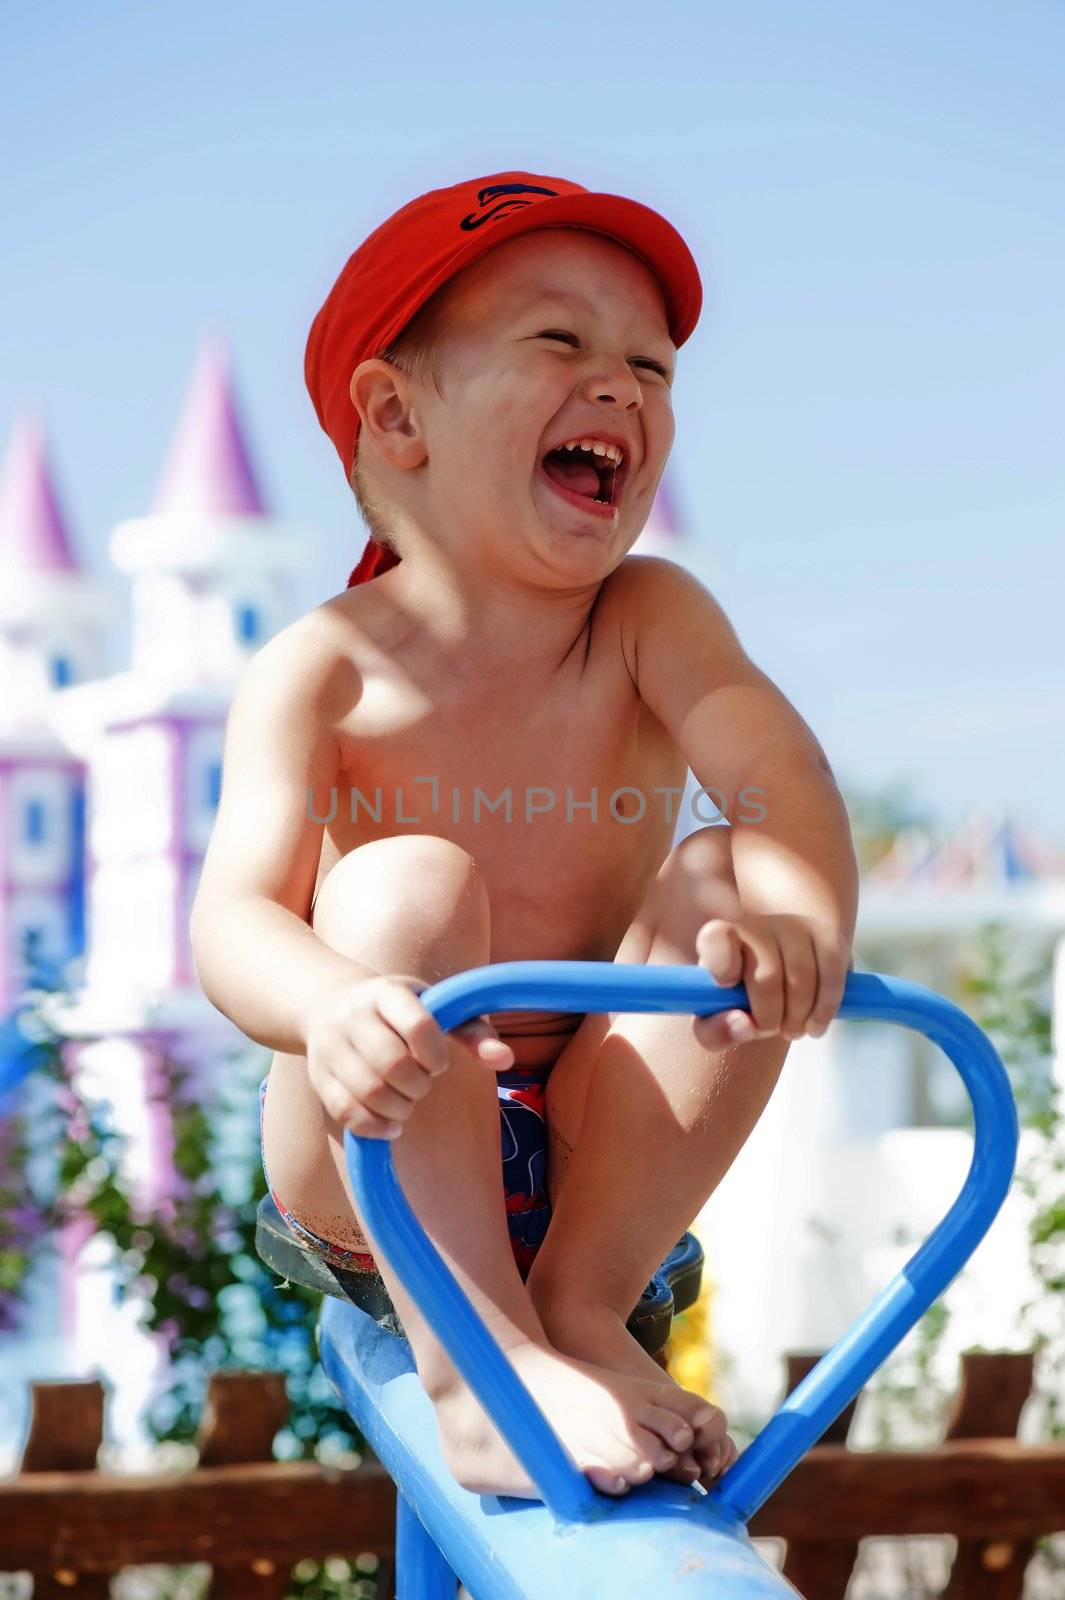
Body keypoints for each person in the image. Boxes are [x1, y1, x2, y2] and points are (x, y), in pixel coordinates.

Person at [190, 169, 859, 1501]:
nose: (618, 386)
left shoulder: (648, 618)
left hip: (603, 1152)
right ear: (395, 417)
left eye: (650, 367)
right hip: (373, 1139)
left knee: (732, 871)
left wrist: (796, 915)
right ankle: (476, 1373)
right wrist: (329, 1007)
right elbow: (230, 920)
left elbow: (770, 767)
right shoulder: (321, 666)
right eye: (557, 343)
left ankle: (580, 1313)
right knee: (401, 891)